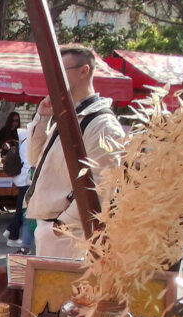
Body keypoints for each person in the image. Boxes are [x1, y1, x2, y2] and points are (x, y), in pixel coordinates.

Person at [25, 44, 125, 259]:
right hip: (51, 227)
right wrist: (42, 118)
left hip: (70, 234)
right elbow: (34, 159)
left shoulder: (102, 124)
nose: (54, 79)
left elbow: (102, 186)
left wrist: (63, 225)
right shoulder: (67, 117)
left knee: (61, 291)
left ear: (84, 71)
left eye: (61, 72)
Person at [5, 127, 33, 250]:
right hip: (27, 179)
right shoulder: (29, 141)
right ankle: (13, 236)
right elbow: (29, 162)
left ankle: (11, 231)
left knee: (21, 209)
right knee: (24, 211)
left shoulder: (24, 139)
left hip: (23, 179)